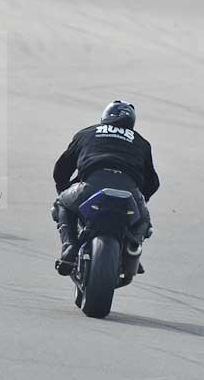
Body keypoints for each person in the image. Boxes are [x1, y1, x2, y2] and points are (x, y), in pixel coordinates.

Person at [51, 100, 158, 275]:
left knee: (61, 203)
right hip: (129, 192)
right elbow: (153, 182)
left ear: (105, 116)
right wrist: (140, 198)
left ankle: (69, 245)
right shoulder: (141, 142)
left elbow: (61, 169)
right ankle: (132, 249)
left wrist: (65, 189)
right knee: (144, 221)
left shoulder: (86, 134)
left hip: (91, 187)